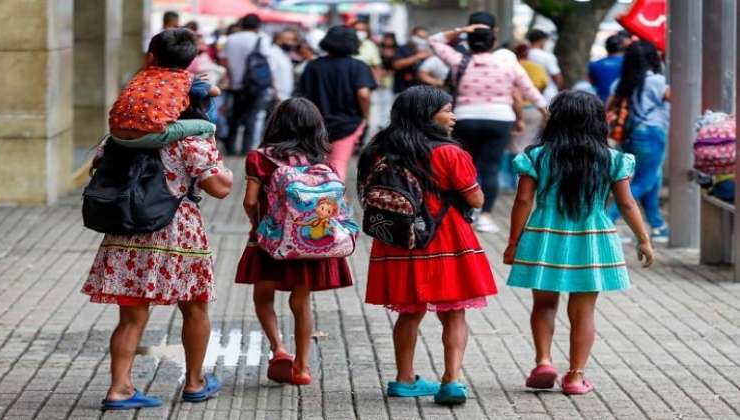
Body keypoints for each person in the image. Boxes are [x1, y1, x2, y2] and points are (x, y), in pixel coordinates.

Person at [82, 33, 234, 410]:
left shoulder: (121, 133)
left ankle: (119, 388)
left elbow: (97, 167)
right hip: (176, 232)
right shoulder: (192, 139)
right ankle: (196, 382)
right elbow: (219, 189)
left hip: (128, 230)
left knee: (131, 317)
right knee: (195, 306)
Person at [504, 90, 655, 395]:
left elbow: (523, 200)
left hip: (545, 234)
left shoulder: (537, 156)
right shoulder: (612, 158)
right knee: (584, 312)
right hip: (593, 238)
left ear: (555, 120)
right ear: (597, 121)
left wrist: (513, 242)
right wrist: (644, 239)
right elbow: (626, 203)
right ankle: (575, 376)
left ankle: (544, 361)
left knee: (544, 303)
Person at [357, 86, 496, 405]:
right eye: (448, 109)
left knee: (409, 313)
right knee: (455, 313)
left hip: (398, 239)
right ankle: (451, 381)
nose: (454, 117)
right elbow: (475, 198)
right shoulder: (450, 153)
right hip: (445, 237)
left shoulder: (379, 150)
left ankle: (404, 379)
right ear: (427, 114)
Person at [235, 98, 354, 386]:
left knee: (263, 296)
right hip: (310, 243)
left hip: (271, 239)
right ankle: (301, 368)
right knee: (301, 302)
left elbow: (250, 201)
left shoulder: (259, 157)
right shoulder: (320, 160)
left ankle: (279, 349)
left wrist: (258, 226)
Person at [430, 24, 547, 233]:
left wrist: (461, 29)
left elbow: (434, 41)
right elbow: (530, 91)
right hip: (499, 119)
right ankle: (485, 216)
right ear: (492, 43)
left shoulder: (458, 61)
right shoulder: (507, 65)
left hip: (465, 118)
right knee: (490, 168)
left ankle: (466, 210)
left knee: (466, 165)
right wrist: (546, 113)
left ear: (469, 43)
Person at [606, 40, 671, 243]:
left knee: (653, 179)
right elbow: (676, 97)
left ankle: (657, 224)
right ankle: (607, 221)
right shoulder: (656, 81)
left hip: (629, 135)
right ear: (653, 58)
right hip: (652, 134)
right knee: (644, 181)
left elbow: (609, 105)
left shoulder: (621, 83)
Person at [109, 29, 216, 148]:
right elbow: (215, 91)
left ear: (150, 58)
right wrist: (197, 82)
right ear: (190, 61)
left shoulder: (140, 75)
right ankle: (208, 160)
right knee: (209, 127)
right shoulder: (188, 78)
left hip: (115, 134)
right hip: (150, 136)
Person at [299, 26, 376, 181]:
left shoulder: (313, 66)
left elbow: (302, 95)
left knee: (315, 165)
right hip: (348, 124)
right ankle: (334, 201)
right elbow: (363, 94)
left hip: (314, 124)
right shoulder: (358, 66)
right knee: (338, 164)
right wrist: (365, 117)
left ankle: (315, 199)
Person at [220, 14, 272, 155]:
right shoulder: (262, 39)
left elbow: (223, 61)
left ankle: (230, 148)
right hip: (255, 85)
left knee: (234, 116)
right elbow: (266, 62)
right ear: (258, 25)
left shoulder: (230, 39)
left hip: (234, 84)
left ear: (242, 24)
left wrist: (231, 75)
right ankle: (245, 149)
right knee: (252, 117)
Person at [526, 29, 564, 102]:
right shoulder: (547, 56)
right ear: (542, 40)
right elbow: (557, 77)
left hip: (527, 95)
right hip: (548, 95)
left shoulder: (524, 56)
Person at [392, 27, 432, 94]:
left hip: (423, 91)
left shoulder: (429, 51)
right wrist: (417, 57)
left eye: (423, 38)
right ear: (413, 36)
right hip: (403, 89)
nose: (421, 40)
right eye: (419, 37)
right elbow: (396, 65)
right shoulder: (403, 49)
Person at [589, 34, 626, 102]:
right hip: (618, 106)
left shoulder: (594, 65)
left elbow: (592, 83)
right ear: (622, 47)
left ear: (606, 47)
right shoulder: (627, 64)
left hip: (600, 104)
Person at [269, 29, 297, 101]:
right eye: (288, 40)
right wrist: (276, 95)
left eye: (293, 40)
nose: (291, 43)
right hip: (276, 98)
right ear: (279, 40)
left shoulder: (284, 54)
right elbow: (269, 74)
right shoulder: (273, 53)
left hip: (284, 97)